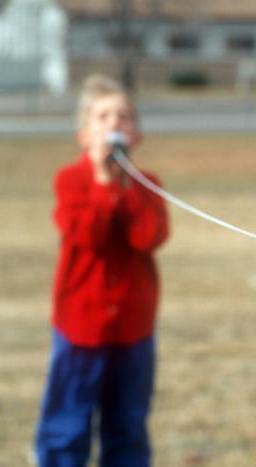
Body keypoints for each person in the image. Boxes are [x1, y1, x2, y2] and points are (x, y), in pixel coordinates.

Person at [35, 73, 169, 466]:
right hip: (81, 327)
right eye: (104, 116)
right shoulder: (71, 181)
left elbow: (149, 238)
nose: (115, 124)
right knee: (67, 425)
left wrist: (126, 186)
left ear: (137, 133)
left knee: (127, 425)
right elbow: (87, 235)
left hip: (133, 328)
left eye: (124, 116)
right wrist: (102, 181)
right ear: (83, 134)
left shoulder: (148, 185)